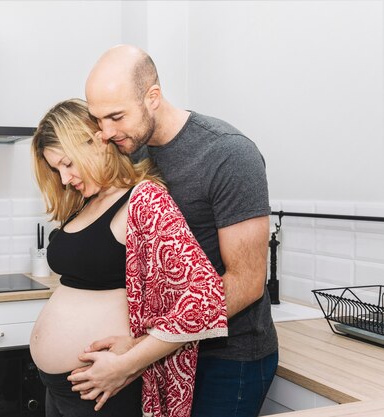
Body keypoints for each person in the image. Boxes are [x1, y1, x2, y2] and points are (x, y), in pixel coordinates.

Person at [68, 45, 278, 417]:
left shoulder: (228, 155)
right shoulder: (129, 151)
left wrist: (138, 352)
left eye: (116, 116)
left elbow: (246, 284)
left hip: (228, 359)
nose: (106, 131)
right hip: (163, 351)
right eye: (98, 119)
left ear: (153, 97)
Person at [29, 98, 227, 417]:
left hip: (106, 391)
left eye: (67, 163)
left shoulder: (144, 200)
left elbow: (205, 300)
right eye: (56, 169)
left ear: (98, 141)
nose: (64, 178)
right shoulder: (82, 205)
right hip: (60, 391)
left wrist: (129, 362)